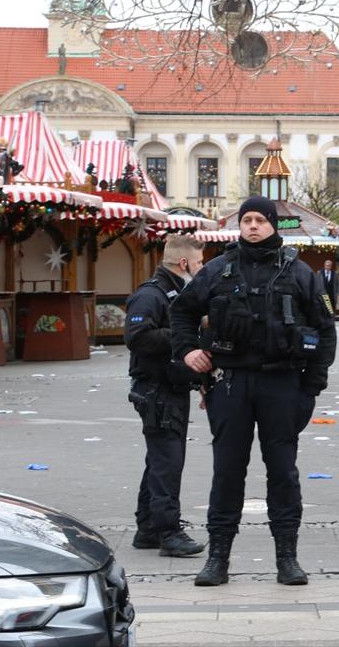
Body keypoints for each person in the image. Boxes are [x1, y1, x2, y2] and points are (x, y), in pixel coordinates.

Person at [170, 196, 336, 587]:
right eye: (247, 219)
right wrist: (188, 351)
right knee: (227, 472)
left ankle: (287, 559)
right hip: (231, 383)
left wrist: (310, 387)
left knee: (283, 473)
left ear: (274, 225)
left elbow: (325, 330)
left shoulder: (298, 273)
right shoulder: (218, 269)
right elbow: (182, 312)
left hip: (283, 384)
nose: (253, 226)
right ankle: (217, 560)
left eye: (261, 220)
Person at [126, 234, 206, 558]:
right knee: (168, 463)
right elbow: (138, 336)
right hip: (156, 391)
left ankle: (147, 528)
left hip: (171, 389)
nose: (201, 269)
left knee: (160, 460)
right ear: (184, 263)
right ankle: (168, 531)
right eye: (199, 263)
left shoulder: (178, 294)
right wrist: (186, 336)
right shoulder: (151, 295)